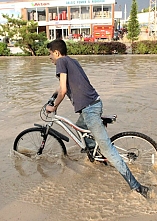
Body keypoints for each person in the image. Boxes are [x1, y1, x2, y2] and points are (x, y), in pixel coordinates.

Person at [45, 39, 149, 198]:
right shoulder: (72, 61)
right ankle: (97, 156)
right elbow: (61, 87)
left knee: (109, 150)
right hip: (94, 104)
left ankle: (137, 187)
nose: (49, 57)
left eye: (50, 54)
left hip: (89, 110)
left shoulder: (61, 62)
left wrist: (53, 107)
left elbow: (64, 90)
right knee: (81, 131)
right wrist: (53, 98)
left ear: (57, 53)